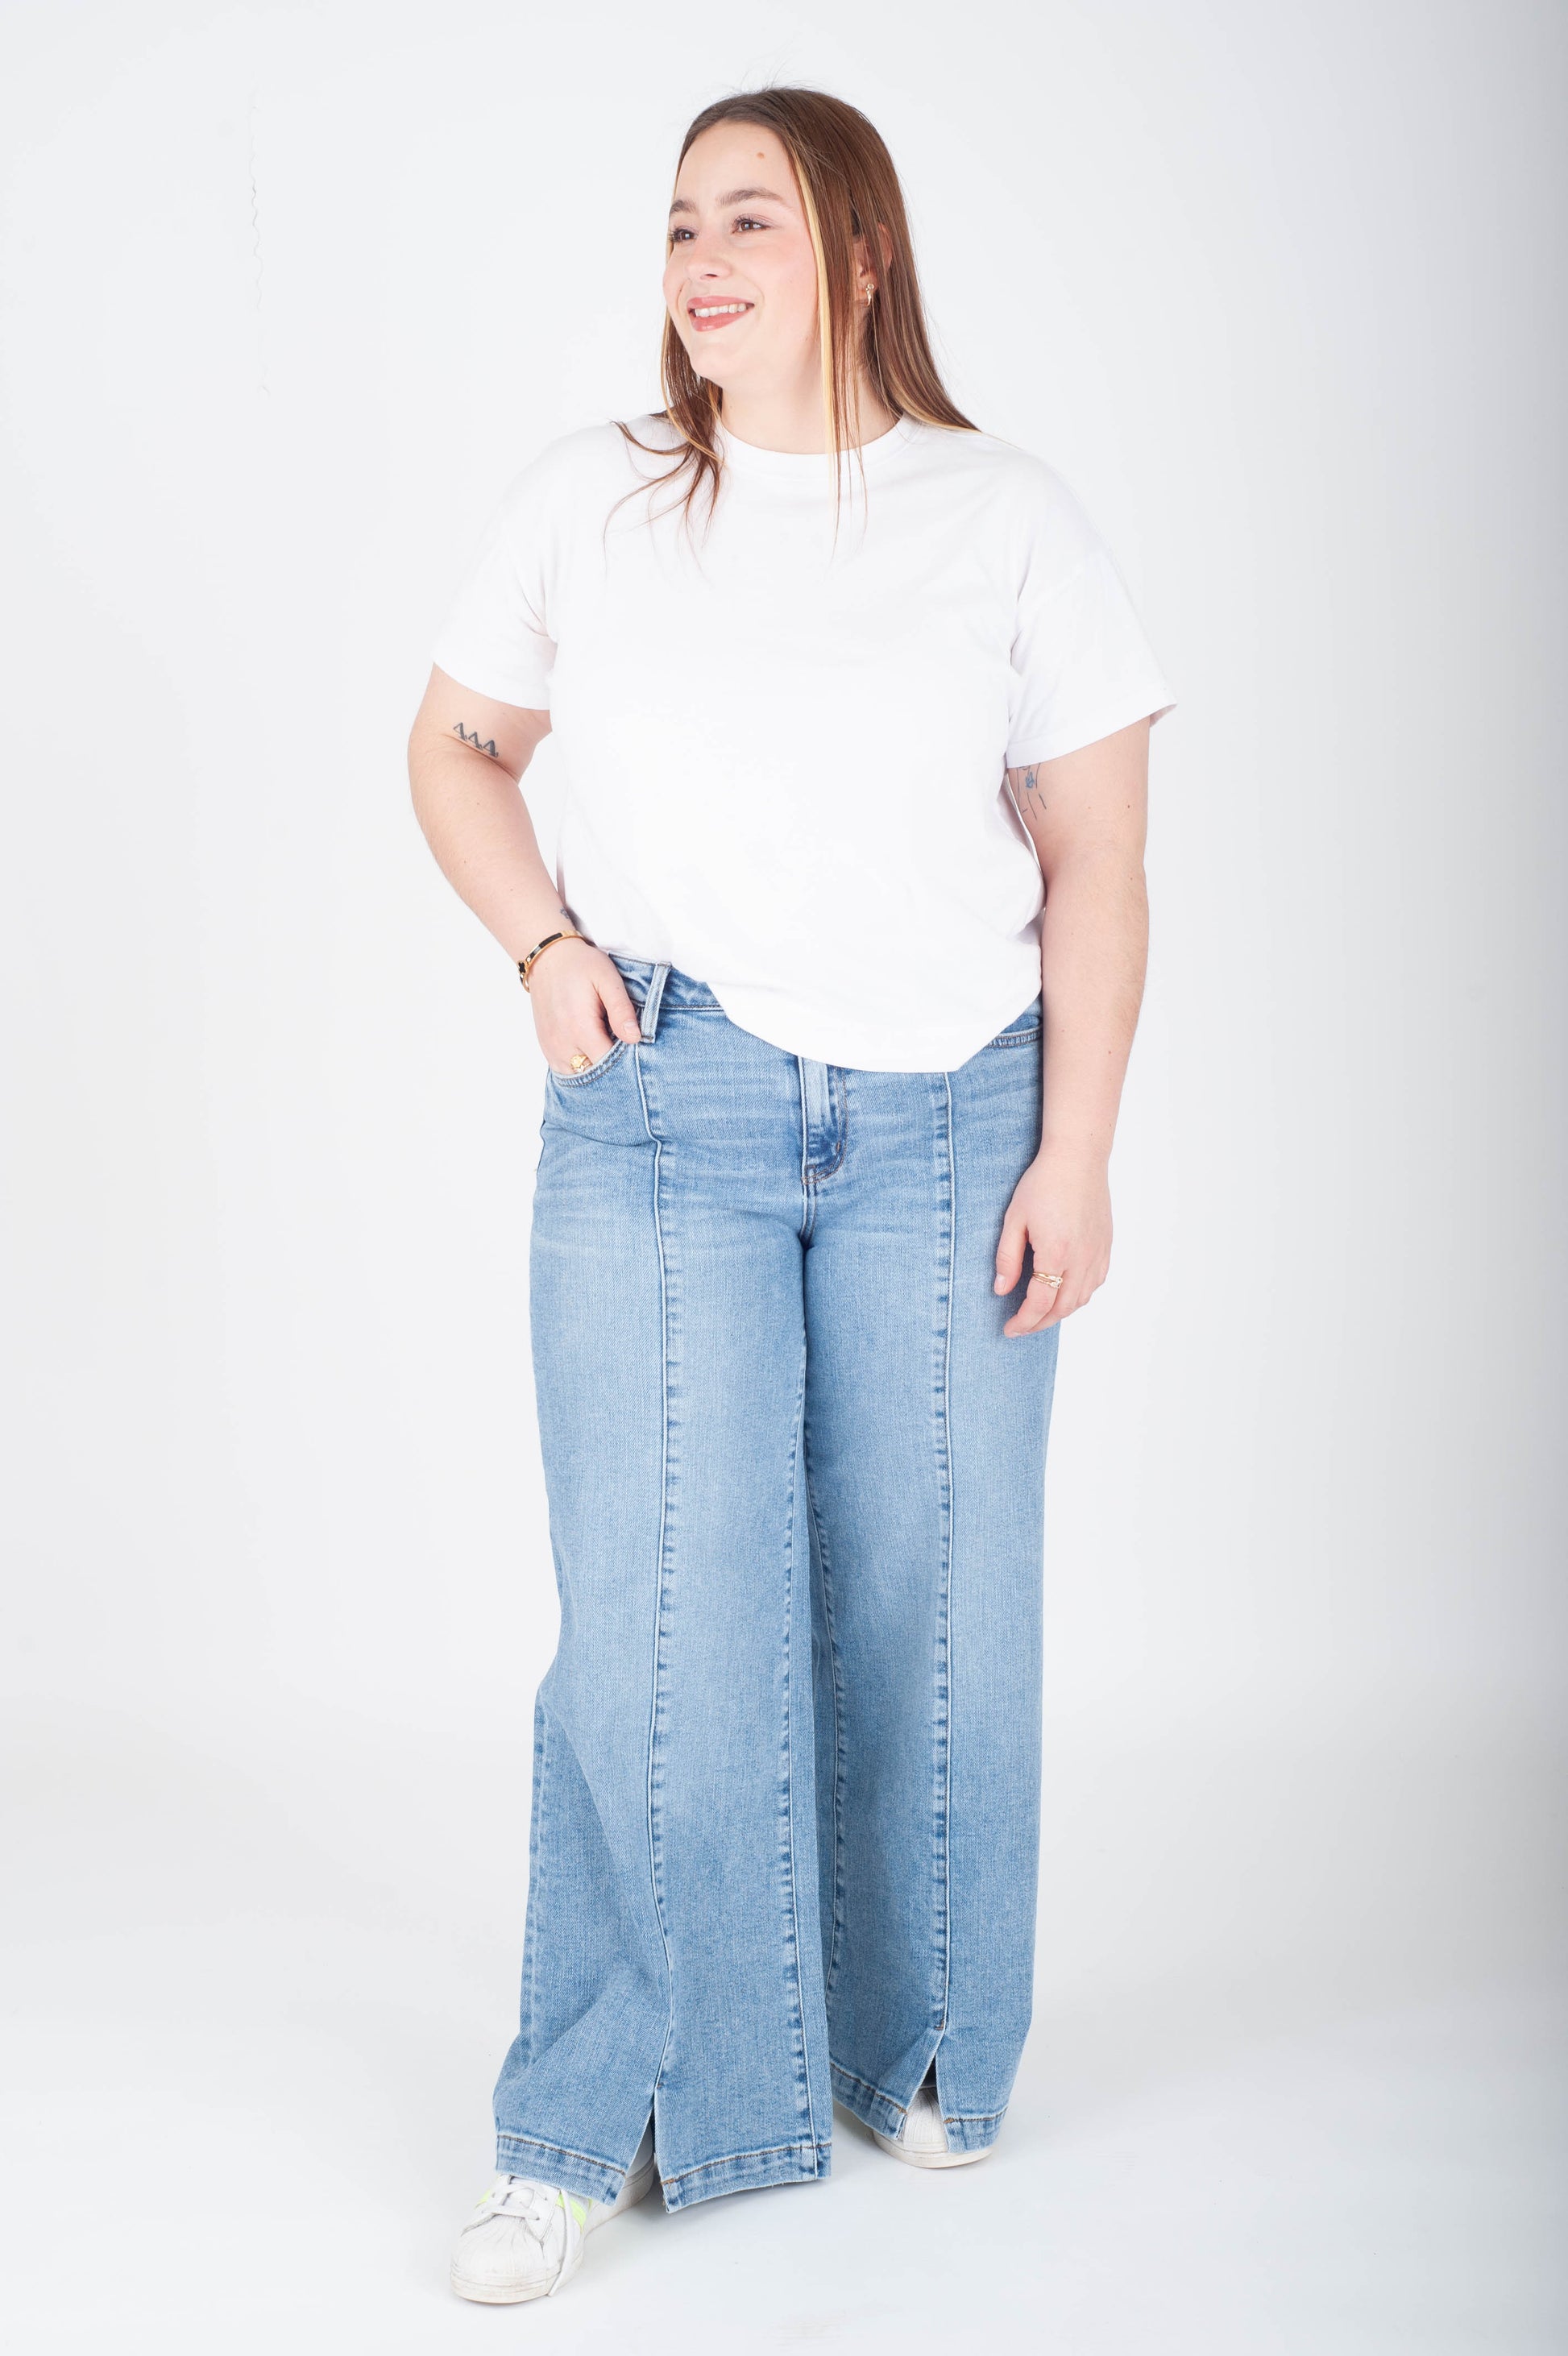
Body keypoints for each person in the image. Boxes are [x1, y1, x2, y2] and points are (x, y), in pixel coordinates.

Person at [407, 84, 1175, 2305]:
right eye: (677, 226)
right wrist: (542, 946)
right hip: (666, 1102)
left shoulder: (1004, 516)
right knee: (657, 1620)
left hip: (954, 1121)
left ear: (861, 252)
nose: (701, 262)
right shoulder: (596, 499)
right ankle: (591, 2121)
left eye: (749, 218)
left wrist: (1079, 1153)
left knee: (934, 1606)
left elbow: (1099, 857)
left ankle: (913, 2046)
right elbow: (452, 745)